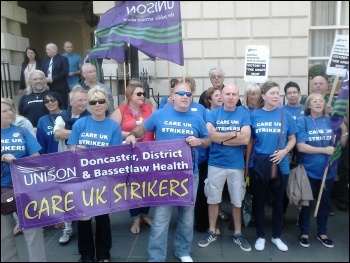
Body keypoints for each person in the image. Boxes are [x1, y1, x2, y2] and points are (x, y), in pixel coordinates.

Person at [125, 82, 211, 262]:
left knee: (187, 217)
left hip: (189, 175)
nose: (185, 97)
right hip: (164, 175)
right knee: (162, 217)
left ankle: (183, 251)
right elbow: (143, 128)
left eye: (188, 94)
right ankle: (156, 257)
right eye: (181, 93)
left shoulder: (197, 118)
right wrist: (133, 134)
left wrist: (199, 141)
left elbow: (207, 139)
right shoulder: (160, 114)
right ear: (173, 94)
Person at [67, 87, 123, 262]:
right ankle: (86, 254)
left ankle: (104, 254)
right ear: (88, 105)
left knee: (102, 218)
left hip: (103, 178)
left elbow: (115, 155)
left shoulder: (113, 126)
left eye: (100, 101)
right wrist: (76, 149)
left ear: (106, 103)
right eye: (93, 102)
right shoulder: (80, 124)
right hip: (82, 178)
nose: (97, 105)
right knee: (83, 219)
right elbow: (71, 148)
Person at [198, 84, 251, 252]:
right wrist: (233, 134)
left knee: (237, 200)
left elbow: (245, 139)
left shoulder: (244, 113)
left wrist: (220, 138)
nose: (230, 97)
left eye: (233, 94)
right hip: (216, 164)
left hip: (236, 165)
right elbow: (210, 136)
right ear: (221, 95)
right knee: (213, 199)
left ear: (238, 96)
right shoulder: (213, 114)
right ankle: (212, 230)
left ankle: (238, 233)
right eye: (227, 94)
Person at [249, 81, 298, 252]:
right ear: (263, 96)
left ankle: (277, 236)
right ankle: (261, 236)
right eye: (272, 93)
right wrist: (248, 165)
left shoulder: (286, 115)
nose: (276, 96)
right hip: (260, 164)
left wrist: (284, 151)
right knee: (259, 201)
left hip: (281, 165)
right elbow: (250, 141)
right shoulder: (255, 116)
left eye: (278, 93)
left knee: (278, 203)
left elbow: (293, 139)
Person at [296, 93, 348, 249]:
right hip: (309, 170)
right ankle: (304, 232)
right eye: (315, 101)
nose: (318, 103)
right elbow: (301, 146)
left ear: (325, 105)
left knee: (324, 202)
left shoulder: (332, 121)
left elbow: (342, 145)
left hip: (328, 171)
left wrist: (344, 129)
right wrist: (324, 150)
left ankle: (322, 232)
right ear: (309, 105)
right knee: (306, 202)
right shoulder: (303, 121)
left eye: (321, 101)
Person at [1, 98, 46, 262]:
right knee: (4, 236)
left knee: (34, 231)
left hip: (24, 187)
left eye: (10, 109)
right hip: (2, 189)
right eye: (4, 111)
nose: (9, 113)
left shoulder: (22, 131)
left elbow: (36, 157)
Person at [110, 82, 155, 234]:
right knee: (132, 187)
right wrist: (130, 135)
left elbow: (157, 125)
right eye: (139, 94)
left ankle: (144, 214)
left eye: (144, 93)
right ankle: (135, 217)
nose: (143, 96)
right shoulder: (121, 110)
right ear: (130, 96)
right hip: (130, 155)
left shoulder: (149, 108)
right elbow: (111, 130)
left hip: (148, 153)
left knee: (147, 186)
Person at [54, 85, 91, 244]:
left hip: (85, 163)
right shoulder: (62, 117)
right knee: (66, 194)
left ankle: (88, 224)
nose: (83, 103)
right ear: (71, 101)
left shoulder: (90, 116)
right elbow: (58, 133)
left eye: (85, 100)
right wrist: (82, 132)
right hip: (66, 163)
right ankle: (68, 226)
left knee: (86, 194)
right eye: (80, 100)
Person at [195, 86, 226, 233]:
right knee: (203, 191)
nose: (220, 98)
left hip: (220, 157)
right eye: (217, 96)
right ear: (209, 100)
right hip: (205, 158)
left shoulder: (225, 114)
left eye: (221, 95)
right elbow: (208, 135)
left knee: (216, 191)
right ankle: (203, 223)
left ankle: (214, 220)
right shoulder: (205, 114)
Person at [282, 81, 304, 224]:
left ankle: (300, 216)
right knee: (284, 185)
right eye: (289, 93)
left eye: (294, 92)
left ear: (299, 94)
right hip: (287, 153)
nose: (292, 95)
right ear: (286, 96)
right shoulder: (282, 111)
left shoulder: (305, 109)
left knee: (301, 184)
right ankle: (282, 214)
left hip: (302, 152)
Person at [242, 83, 263, 228]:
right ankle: (240, 217)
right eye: (251, 93)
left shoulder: (263, 111)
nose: (254, 96)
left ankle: (254, 215)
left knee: (255, 189)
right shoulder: (242, 111)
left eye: (256, 93)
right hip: (240, 152)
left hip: (257, 154)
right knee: (240, 187)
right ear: (247, 95)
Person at [41, 43, 70, 108]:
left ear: (54, 49)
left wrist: (52, 78)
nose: (46, 51)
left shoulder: (63, 59)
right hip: (48, 88)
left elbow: (65, 72)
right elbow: (42, 71)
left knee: (61, 106)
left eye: (48, 49)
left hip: (60, 88)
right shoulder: (45, 60)